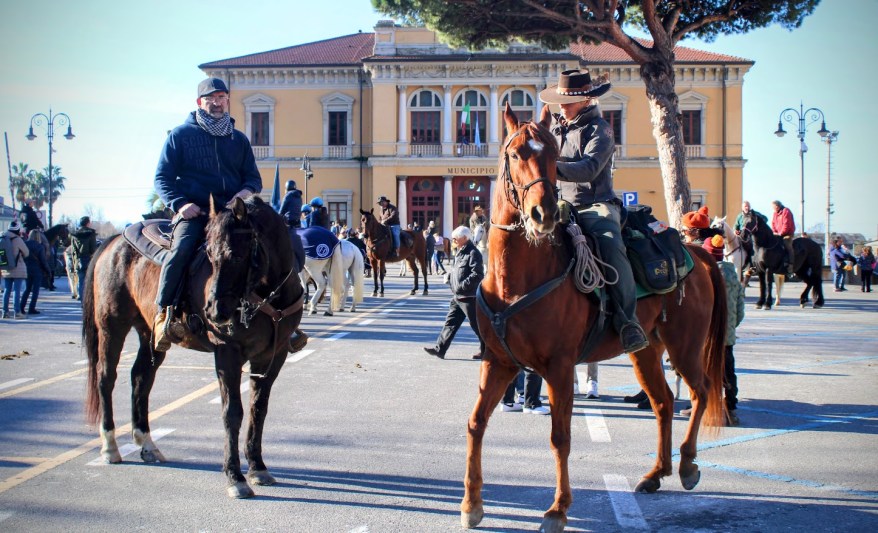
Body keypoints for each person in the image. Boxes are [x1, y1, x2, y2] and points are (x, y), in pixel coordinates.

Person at [540, 68, 648, 354]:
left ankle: (628, 322)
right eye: (561, 99)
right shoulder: (555, 129)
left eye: (569, 100)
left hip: (595, 204)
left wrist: (551, 168)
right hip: (562, 204)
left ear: (587, 100)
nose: (562, 105)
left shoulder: (600, 129)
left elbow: (589, 168)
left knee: (611, 245)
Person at [152, 77, 263, 351]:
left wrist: (243, 193)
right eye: (211, 98)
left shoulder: (239, 139)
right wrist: (180, 204)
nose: (217, 102)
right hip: (195, 212)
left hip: (231, 214)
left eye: (222, 97)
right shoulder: (181, 135)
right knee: (181, 252)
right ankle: (163, 316)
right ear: (199, 103)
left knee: (269, 245)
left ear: (227, 100)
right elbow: (162, 178)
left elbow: (253, 179)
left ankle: (282, 318)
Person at [681, 235, 745, 426]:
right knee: (727, 372)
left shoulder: (700, 276)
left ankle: (699, 405)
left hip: (704, 334)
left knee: (699, 370)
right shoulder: (733, 275)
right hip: (727, 335)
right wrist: (731, 327)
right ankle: (731, 409)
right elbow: (740, 309)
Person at [423, 226, 484, 360]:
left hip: (469, 297)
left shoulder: (473, 253)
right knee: (450, 323)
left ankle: (487, 350)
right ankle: (440, 349)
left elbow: (478, 274)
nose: (453, 239)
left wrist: (461, 286)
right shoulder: (460, 251)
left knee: (477, 326)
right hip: (457, 296)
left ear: (465, 238)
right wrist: (450, 280)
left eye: (456, 237)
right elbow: (456, 271)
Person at [1, 221, 30, 319]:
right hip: (18, 268)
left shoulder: (2, 237)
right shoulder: (17, 239)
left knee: (7, 290)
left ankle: (5, 312)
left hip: (6, 268)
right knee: (16, 290)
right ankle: (17, 312)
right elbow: (26, 253)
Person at [20, 229, 51, 315]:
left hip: (26, 268)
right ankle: (32, 308)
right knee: (36, 290)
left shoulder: (25, 244)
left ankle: (21, 307)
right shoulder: (40, 246)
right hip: (37, 269)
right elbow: (43, 261)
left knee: (27, 289)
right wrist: (48, 271)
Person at [70, 216, 97, 301]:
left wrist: (74, 262)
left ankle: (80, 295)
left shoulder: (75, 234)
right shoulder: (91, 233)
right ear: (88, 223)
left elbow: (73, 250)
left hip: (78, 260)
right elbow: (93, 249)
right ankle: (88, 298)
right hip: (89, 259)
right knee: (89, 280)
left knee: (80, 279)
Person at [770, 200, 796, 275]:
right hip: (777, 234)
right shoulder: (775, 213)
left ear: (777, 206)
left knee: (787, 244)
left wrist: (781, 233)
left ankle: (791, 264)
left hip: (787, 234)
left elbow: (786, 224)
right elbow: (773, 223)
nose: (773, 209)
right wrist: (774, 232)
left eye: (773, 207)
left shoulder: (786, 211)